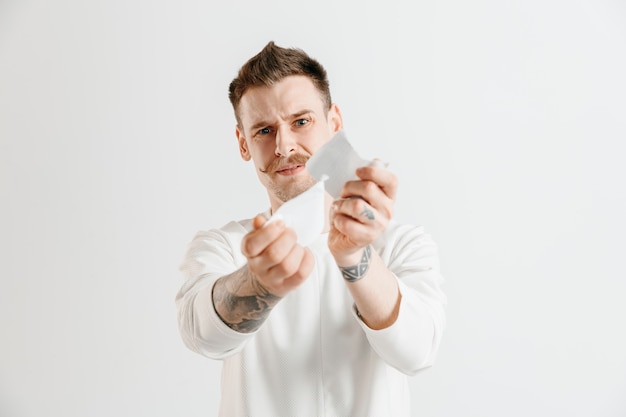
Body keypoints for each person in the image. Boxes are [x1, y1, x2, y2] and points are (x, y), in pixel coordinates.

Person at [176, 41, 447, 417]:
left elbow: (416, 352)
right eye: (264, 130)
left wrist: (355, 256)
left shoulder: (402, 245)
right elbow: (203, 335)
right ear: (243, 143)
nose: (284, 145)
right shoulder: (223, 247)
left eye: (301, 122)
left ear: (334, 123)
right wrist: (259, 283)